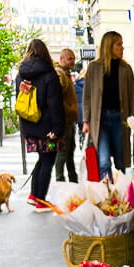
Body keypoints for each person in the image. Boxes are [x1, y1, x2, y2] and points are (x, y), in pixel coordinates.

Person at [82, 31, 134, 179]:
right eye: (118, 44)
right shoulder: (94, 68)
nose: (122, 48)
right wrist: (86, 120)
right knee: (103, 161)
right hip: (99, 121)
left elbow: (133, 95)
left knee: (121, 162)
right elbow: (87, 96)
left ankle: (120, 194)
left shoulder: (125, 69)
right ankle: (107, 196)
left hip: (119, 119)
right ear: (109, 46)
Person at [15, 39, 63, 212]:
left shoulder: (21, 75)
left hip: (30, 126)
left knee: (42, 159)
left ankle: (34, 195)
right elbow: (55, 104)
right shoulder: (49, 74)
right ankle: (41, 200)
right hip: (48, 130)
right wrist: (57, 129)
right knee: (48, 159)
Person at [54, 48, 78, 182]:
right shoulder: (60, 74)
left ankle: (73, 180)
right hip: (64, 121)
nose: (72, 61)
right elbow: (56, 98)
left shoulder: (66, 73)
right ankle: (61, 181)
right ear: (61, 59)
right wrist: (67, 110)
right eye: (69, 59)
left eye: (73, 58)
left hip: (68, 120)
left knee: (69, 152)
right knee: (63, 153)